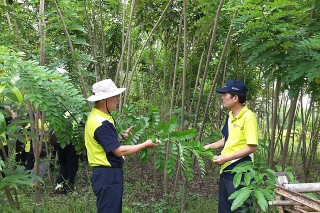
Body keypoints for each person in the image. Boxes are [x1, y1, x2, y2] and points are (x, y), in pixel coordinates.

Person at [85, 79, 160, 213]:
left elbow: (103, 142)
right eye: (115, 96)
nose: (118, 99)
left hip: (105, 174)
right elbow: (119, 151)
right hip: (107, 174)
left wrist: (121, 137)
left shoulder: (99, 116)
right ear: (104, 99)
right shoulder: (101, 123)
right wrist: (144, 145)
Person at [204, 80, 258, 213]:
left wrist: (226, 157)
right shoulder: (230, 116)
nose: (222, 97)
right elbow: (226, 140)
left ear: (235, 98)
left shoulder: (248, 117)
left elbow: (252, 147)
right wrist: (209, 146)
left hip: (241, 169)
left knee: (240, 209)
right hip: (226, 169)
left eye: (225, 94)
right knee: (225, 209)